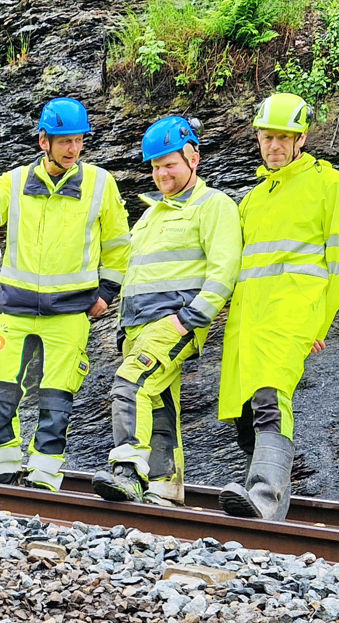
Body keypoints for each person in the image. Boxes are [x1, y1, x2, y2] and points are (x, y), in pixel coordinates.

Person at [0, 97, 130, 490]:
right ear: (43, 141)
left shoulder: (100, 184)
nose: (73, 148)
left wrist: (107, 291)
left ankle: (44, 478)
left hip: (69, 313)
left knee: (55, 400)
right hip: (16, 309)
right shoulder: (16, 180)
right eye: (64, 140)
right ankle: (5, 468)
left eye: (79, 140)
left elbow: (118, 244)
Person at [217, 92, 339, 520]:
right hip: (248, 322)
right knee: (245, 413)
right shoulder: (253, 200)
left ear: (301, 139)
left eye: (284, 138)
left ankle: (263, 496)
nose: (275, 146)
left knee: (269, 396)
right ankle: (270, 512)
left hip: (291, 315)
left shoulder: (330, 185)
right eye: (267, 138)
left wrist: (320, 321)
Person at [93, 116, 241, 506]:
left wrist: (189, 320)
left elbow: (223, 273)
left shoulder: (214, 206)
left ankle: (126, 470)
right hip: (137, 326)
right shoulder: (150, 215)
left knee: (132, 384)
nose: (161, 173)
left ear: (193, 158)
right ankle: (165, 484)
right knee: (159, 402)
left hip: (173, 322)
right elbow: (131, 272)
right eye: (155, 166)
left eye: (169, 164)